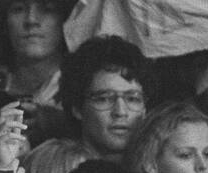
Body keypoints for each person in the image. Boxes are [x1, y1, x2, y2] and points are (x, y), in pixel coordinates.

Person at [58, 34, 151, 162]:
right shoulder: (53, 172)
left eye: (132, 99)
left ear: (145, 109)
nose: (120, 112)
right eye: (104, 99)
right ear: (77, 108)